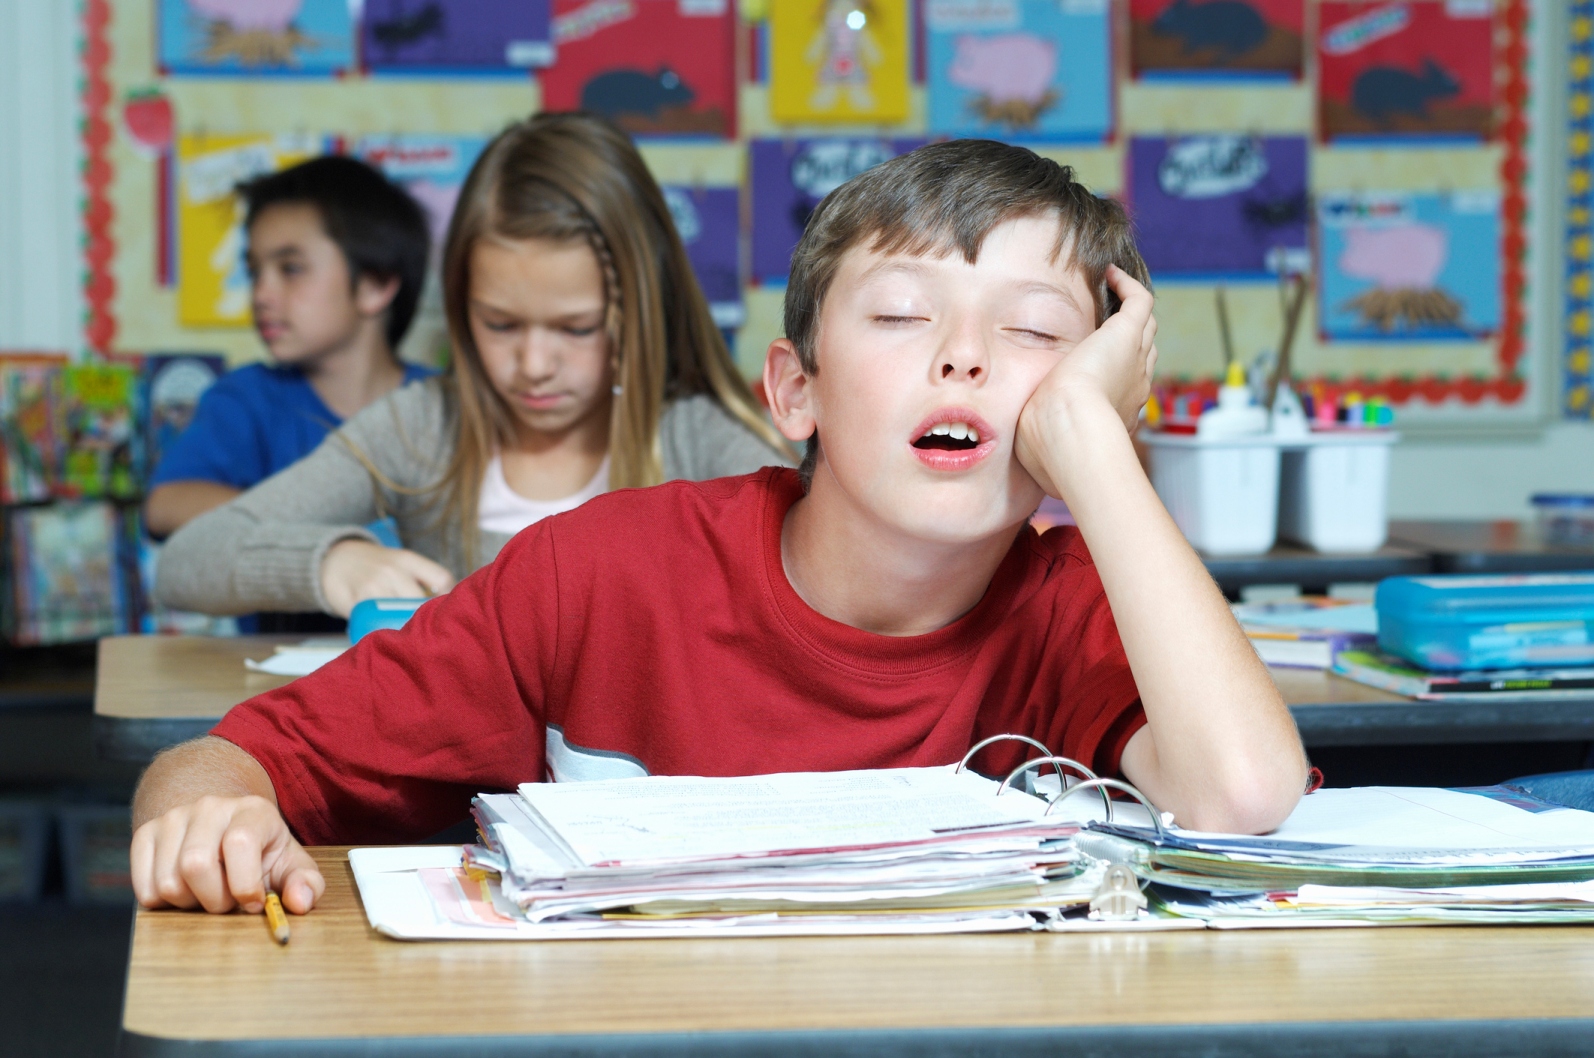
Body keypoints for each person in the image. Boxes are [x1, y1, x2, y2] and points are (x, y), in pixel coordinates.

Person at [130, 139, 1309, 917]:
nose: (963, 354)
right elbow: (226, 759)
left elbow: (1244, 791)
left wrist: (1094, 458)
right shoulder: (591, 573)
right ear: (791, 391)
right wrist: (206, 819)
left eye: (1035, 337)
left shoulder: (1070, 603)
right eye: (901, 313)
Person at [153, 113, 793, 619]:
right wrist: (332, 562)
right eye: (501, 325)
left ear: (641, 308)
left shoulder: (695, 438)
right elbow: (187, 560)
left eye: (576, 328)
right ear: (459, 308)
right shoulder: (421, 429)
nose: (533, 365)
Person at [144, 156, 437, 539]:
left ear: (374, 286)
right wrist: (323, 537)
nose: (261, 294)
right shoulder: (247, 399)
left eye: (290, 269)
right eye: (254, 272)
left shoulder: (448, 406)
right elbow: (166, 505)